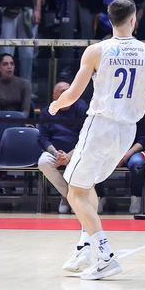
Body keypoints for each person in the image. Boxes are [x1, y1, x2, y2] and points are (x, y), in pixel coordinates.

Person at [50, 0, 145, 280]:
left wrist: (56, 105)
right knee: (86, 185)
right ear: (134, 20)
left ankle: (105, 255)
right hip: (126, 131)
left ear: (109, 20)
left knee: (74, 191)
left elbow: (74, 93)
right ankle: (85, 247)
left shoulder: (96, 51)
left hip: (101, 125)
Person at [37, 81, 92, 215]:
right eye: (63, 91)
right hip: (56, 152)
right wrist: (56, 153)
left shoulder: (82, 108)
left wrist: (69, 155)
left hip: (78, 152)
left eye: (69, 90)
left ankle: (73, 198)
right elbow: (42, 138)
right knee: (43, 162)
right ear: (55, 96)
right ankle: (70, 197)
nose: (68, 93)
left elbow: (86, 137)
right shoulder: (47, 112)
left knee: (88, 160)